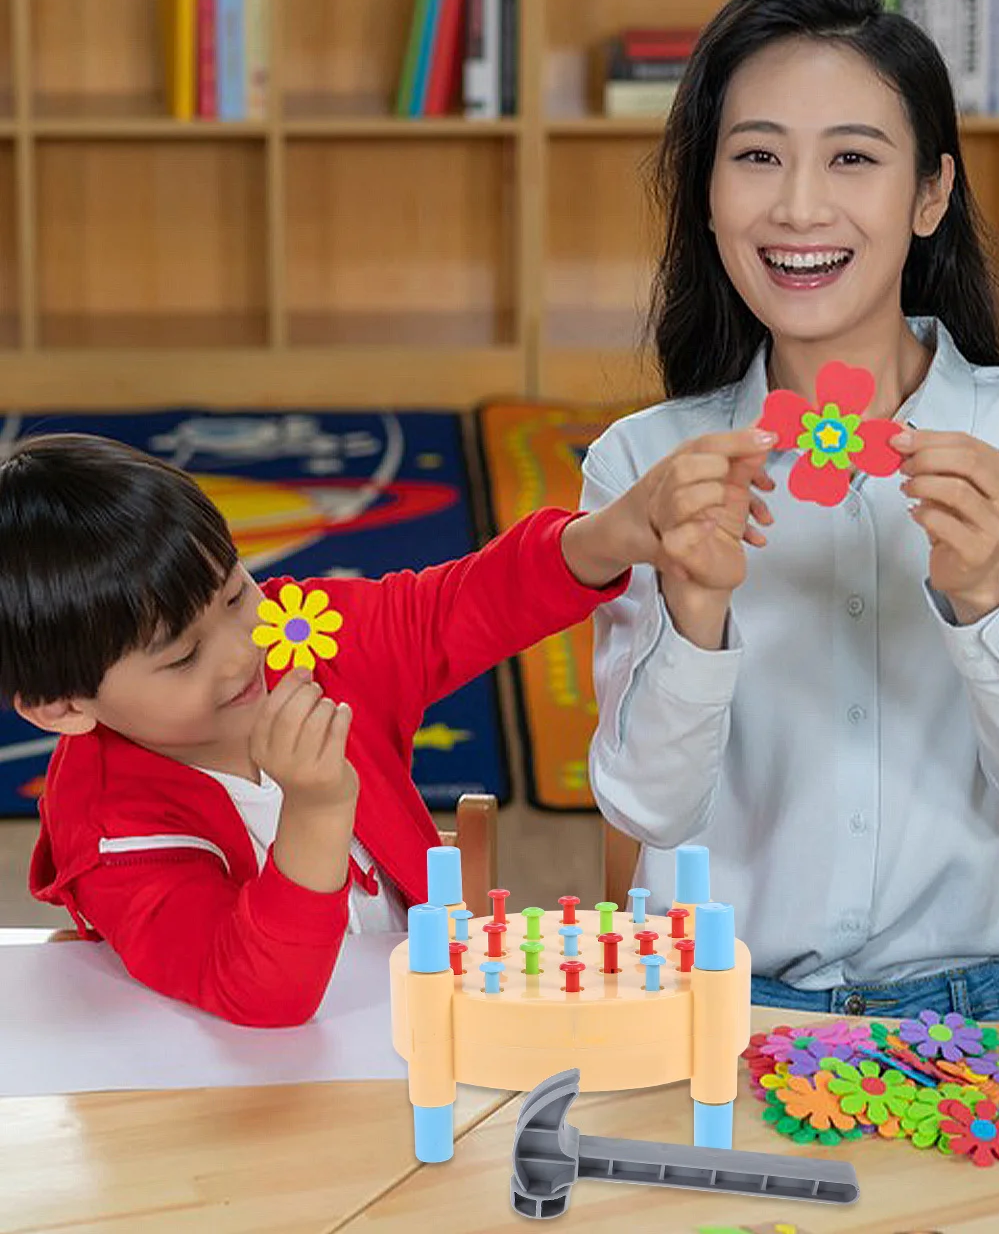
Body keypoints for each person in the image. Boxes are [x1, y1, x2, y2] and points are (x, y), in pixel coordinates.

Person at [580, 0, 999, 1022]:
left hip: (994, 1001)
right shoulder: (644, 463)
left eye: (851, 157)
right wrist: (694, 619)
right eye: (754, 157)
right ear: (706, 193)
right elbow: (647, 806)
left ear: (930, 193)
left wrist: (986, 592)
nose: (798, 206)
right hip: (728, 1006)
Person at [3, 430, 727, 1025]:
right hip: (243, 1098)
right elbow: (257, 993)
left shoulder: (305, 633)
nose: (244, 650)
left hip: (419, 1022)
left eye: (234, 594)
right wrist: (316, 812)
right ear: (63, 707)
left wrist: (609, 536)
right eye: (184, 655)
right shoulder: (108, 829)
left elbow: (458, 607)